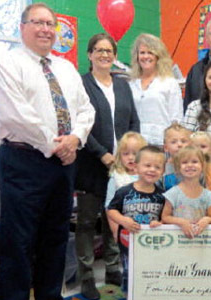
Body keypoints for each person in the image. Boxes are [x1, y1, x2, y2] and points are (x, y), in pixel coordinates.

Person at [0, 3, 95, 299]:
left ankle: (50, 295)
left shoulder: (66, 68)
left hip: (65, 163)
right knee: (18, 242)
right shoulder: (6, 65)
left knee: (56, 238)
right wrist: (56, 145)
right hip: (23, 161)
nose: (46, 29)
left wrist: (74, 139)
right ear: (22, 27)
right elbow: (16, 116)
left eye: (51, 24)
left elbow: (86, 109)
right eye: (38, 22)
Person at [75, 32, 140, 299]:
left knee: (115, 219)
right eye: (99, 50)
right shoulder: (81, 84)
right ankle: (87, 278)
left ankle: (114, 270)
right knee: (88, 223)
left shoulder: (123, 85)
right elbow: (80, 125)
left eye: (109, 51)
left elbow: (134, 121)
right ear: (89, 55)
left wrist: (131, 154)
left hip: (121, 168)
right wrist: (102, 154)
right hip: (92, 164)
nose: (105, 54)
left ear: (115, 56)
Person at [107, 145, 166, 294]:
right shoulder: (124, 191)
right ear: (136, 166)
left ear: (163, 171)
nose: (152, 170)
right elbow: (111, 210)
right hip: (128, 242)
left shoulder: (163, 196)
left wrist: (159, 224)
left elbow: (165, 218)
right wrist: (123, 220)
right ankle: (129, 294)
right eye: (147, 165)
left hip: (152, 244)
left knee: (151, 272)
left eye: (157, 167)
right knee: (129, 271)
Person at [129, 33, 183, 147]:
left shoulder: (169, 83)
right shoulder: (131, 84)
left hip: (161, 145)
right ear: (137, 56)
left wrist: (172, 144)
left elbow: (176, 119)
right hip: (137, 144)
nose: (146, 56)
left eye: (150, 52)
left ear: (158, 56)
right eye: (142, 53)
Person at [161, 146, 211, 238]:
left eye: (194, 162)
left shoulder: (208, 195)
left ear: (202, 166)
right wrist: (181, 222)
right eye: (185, 162)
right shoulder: (173, 193)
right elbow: (165, 217)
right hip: (178, 241)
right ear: (178, 167)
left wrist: (206, 220)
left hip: (201, 242)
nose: (190, 165)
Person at [105, 132, 147, 239]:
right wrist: (115, 230)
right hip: (124, 229)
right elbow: (109, 207)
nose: (131, 158)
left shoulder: (149, 177)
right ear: (119, 155)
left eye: (135, 153)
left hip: (147, 228)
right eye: (126, 154)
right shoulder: (116, 177)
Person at [162, 123, 191, 191]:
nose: (179, 144)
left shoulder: (195, 166)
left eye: (183, 141)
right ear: (166, 147)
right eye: (173, 142)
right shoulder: (162, 169)